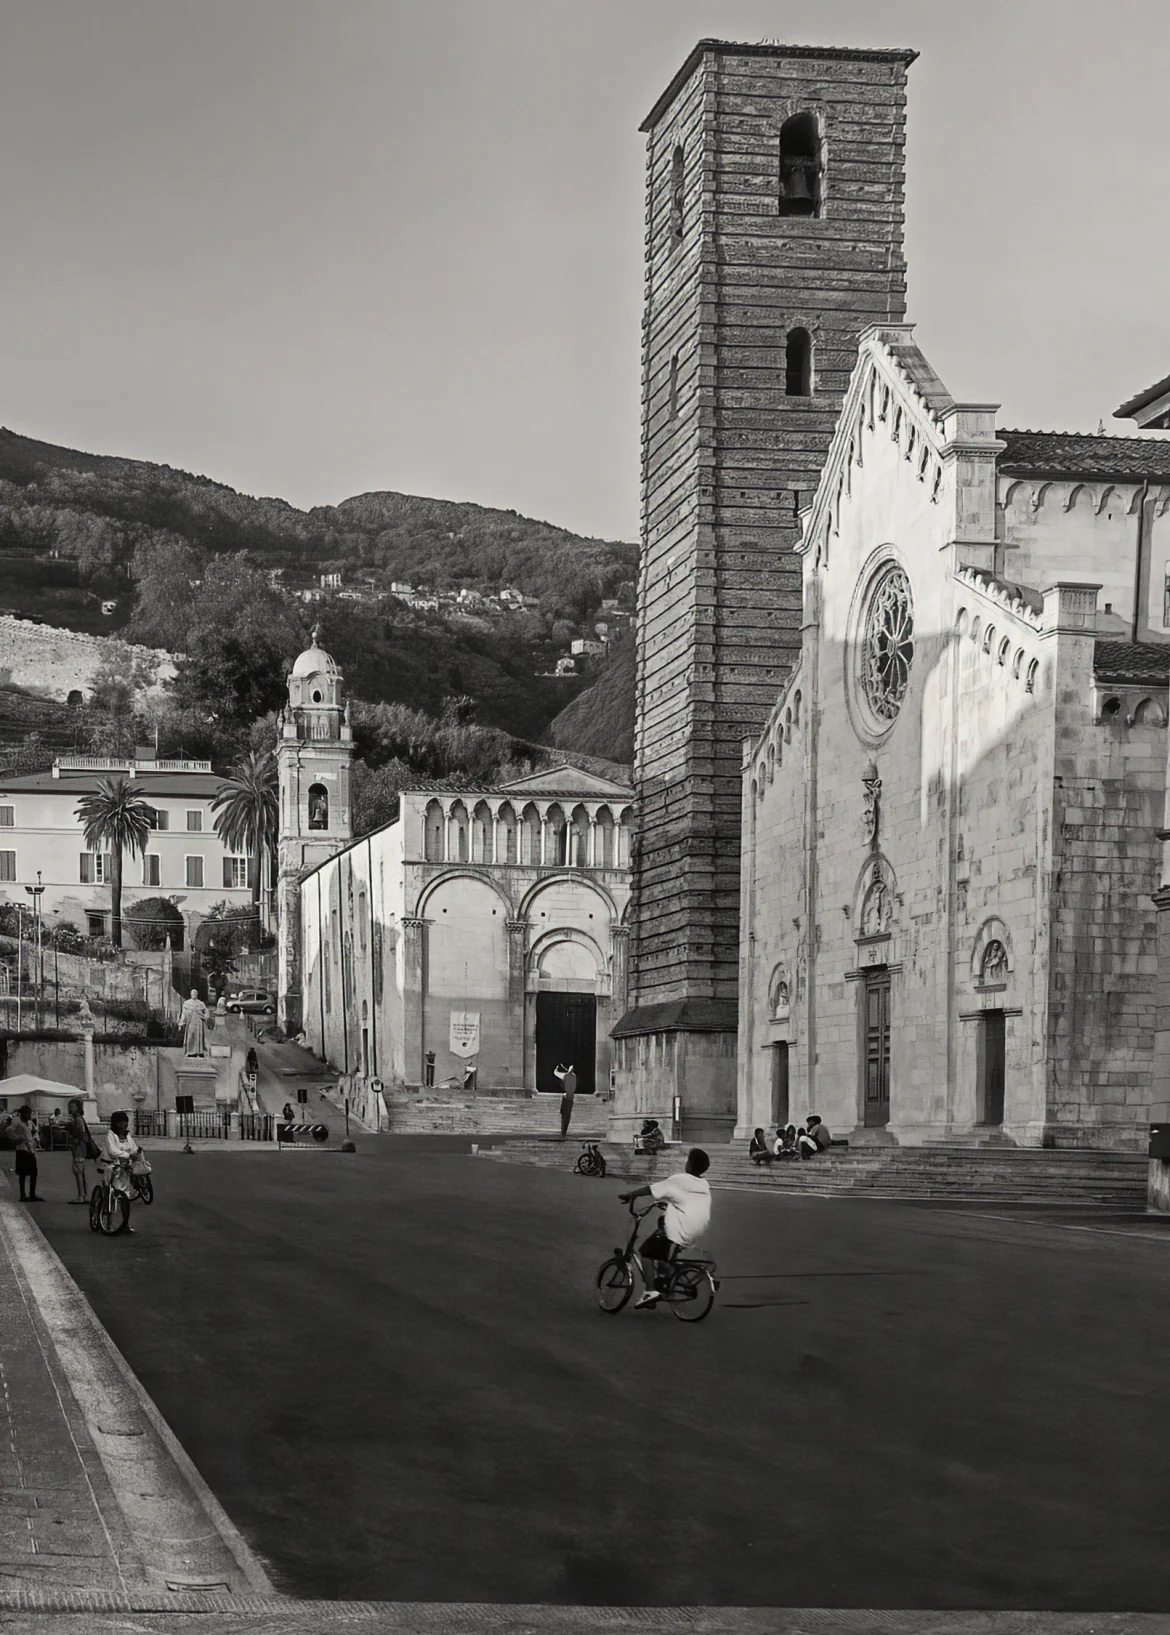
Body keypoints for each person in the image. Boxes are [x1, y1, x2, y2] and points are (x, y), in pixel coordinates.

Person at [619, 1148, 712, 1310]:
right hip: (698, 1227)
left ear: (689, 1164)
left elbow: (651, 1189)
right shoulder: (703, 1183)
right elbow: (685, 1198)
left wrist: (630, 1195)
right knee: (663, 1230)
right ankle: (666, 1277)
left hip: (681, 1228)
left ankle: (650, 1291)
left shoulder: (679, 1179)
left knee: (647, 1252)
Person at [101, 1110, 143, 1233]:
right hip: (111, 1166)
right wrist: (127, 1155)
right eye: (121, 1122)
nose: (124, 1124)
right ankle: (108, 1222)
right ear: (116, 1123)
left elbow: (133, 1148)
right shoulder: (111, 1135)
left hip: (124, 1168)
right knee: (110, 1194)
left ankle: (125, 1224)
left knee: (126, 1196)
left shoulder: (127, 1136)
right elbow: (113, 1151)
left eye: (125, 1122)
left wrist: (136, 1152)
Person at [9, 1106, 42, 1202]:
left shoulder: (29, 1123)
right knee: (23, 1173)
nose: (29, 1116)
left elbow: (34, 1131)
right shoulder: (17, 1122)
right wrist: (17, 1138)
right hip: (22, 1149)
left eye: (30, 1114)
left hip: (30, 1149)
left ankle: (32, 1194)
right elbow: (8, 1131)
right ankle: (23, 1195)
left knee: (33, 1172)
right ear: (23, 1114)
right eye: (27, 1114)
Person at [65, 1097, 92, 1204]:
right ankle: (84, 1195)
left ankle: (81, 1196)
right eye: (69, 1107)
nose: (70, 1109)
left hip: (79, 1149)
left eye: (72, 1107)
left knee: (78, 1172)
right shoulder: (78, 1119)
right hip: (80, 1149)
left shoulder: (78, 1119)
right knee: (80, 1171)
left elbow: (81, 1132)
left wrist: (75, 1140)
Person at [180, 989, 209, 1057]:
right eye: (193, 993)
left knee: (198, 1037)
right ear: (191, 994)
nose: (194, 995)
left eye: (195, 993)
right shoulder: (187, 1003)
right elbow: (183, 1014)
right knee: (190, 1036)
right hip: (190, 1022)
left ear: (197, 994)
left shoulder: (201, 1004)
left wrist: (204, 1017)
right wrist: (181, 1022)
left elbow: (207, 1013)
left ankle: (199, 1052)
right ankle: (190, 1052)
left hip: (199, 1023)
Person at [554, 1063, 577, 1139]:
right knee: (567, 1115)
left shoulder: (566, 1076)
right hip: (571, 1097)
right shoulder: (574, 1076)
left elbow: (556, 1073)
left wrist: (556, 1069)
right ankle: (563, 1132)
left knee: (564, 1114)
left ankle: (563, 1132)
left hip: (566, 1097)